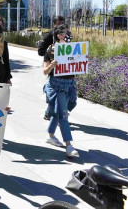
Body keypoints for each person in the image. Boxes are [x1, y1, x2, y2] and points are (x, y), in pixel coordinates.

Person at [43, 24, 79, 158]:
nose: (69, 34)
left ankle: (50, 135)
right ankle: (69, 145)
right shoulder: (51, 50)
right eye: (66, 32)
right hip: (57, 85)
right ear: (59, 36)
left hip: (70, 85)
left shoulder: (74, 49)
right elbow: (44, 71)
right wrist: (52, 66)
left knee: (68, 105)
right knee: (63, 114)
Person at [38, 15, 65, 120]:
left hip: (63, 69)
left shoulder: (66, 36)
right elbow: (40, 51)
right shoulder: (49, 36)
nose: (60, 26)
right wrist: (51, 53)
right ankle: (54, 115)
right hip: (51, 67)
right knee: (54, 93)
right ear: (54, 25)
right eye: (58, 24)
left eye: (62, 24)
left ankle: (52, 114)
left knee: (62, 95)